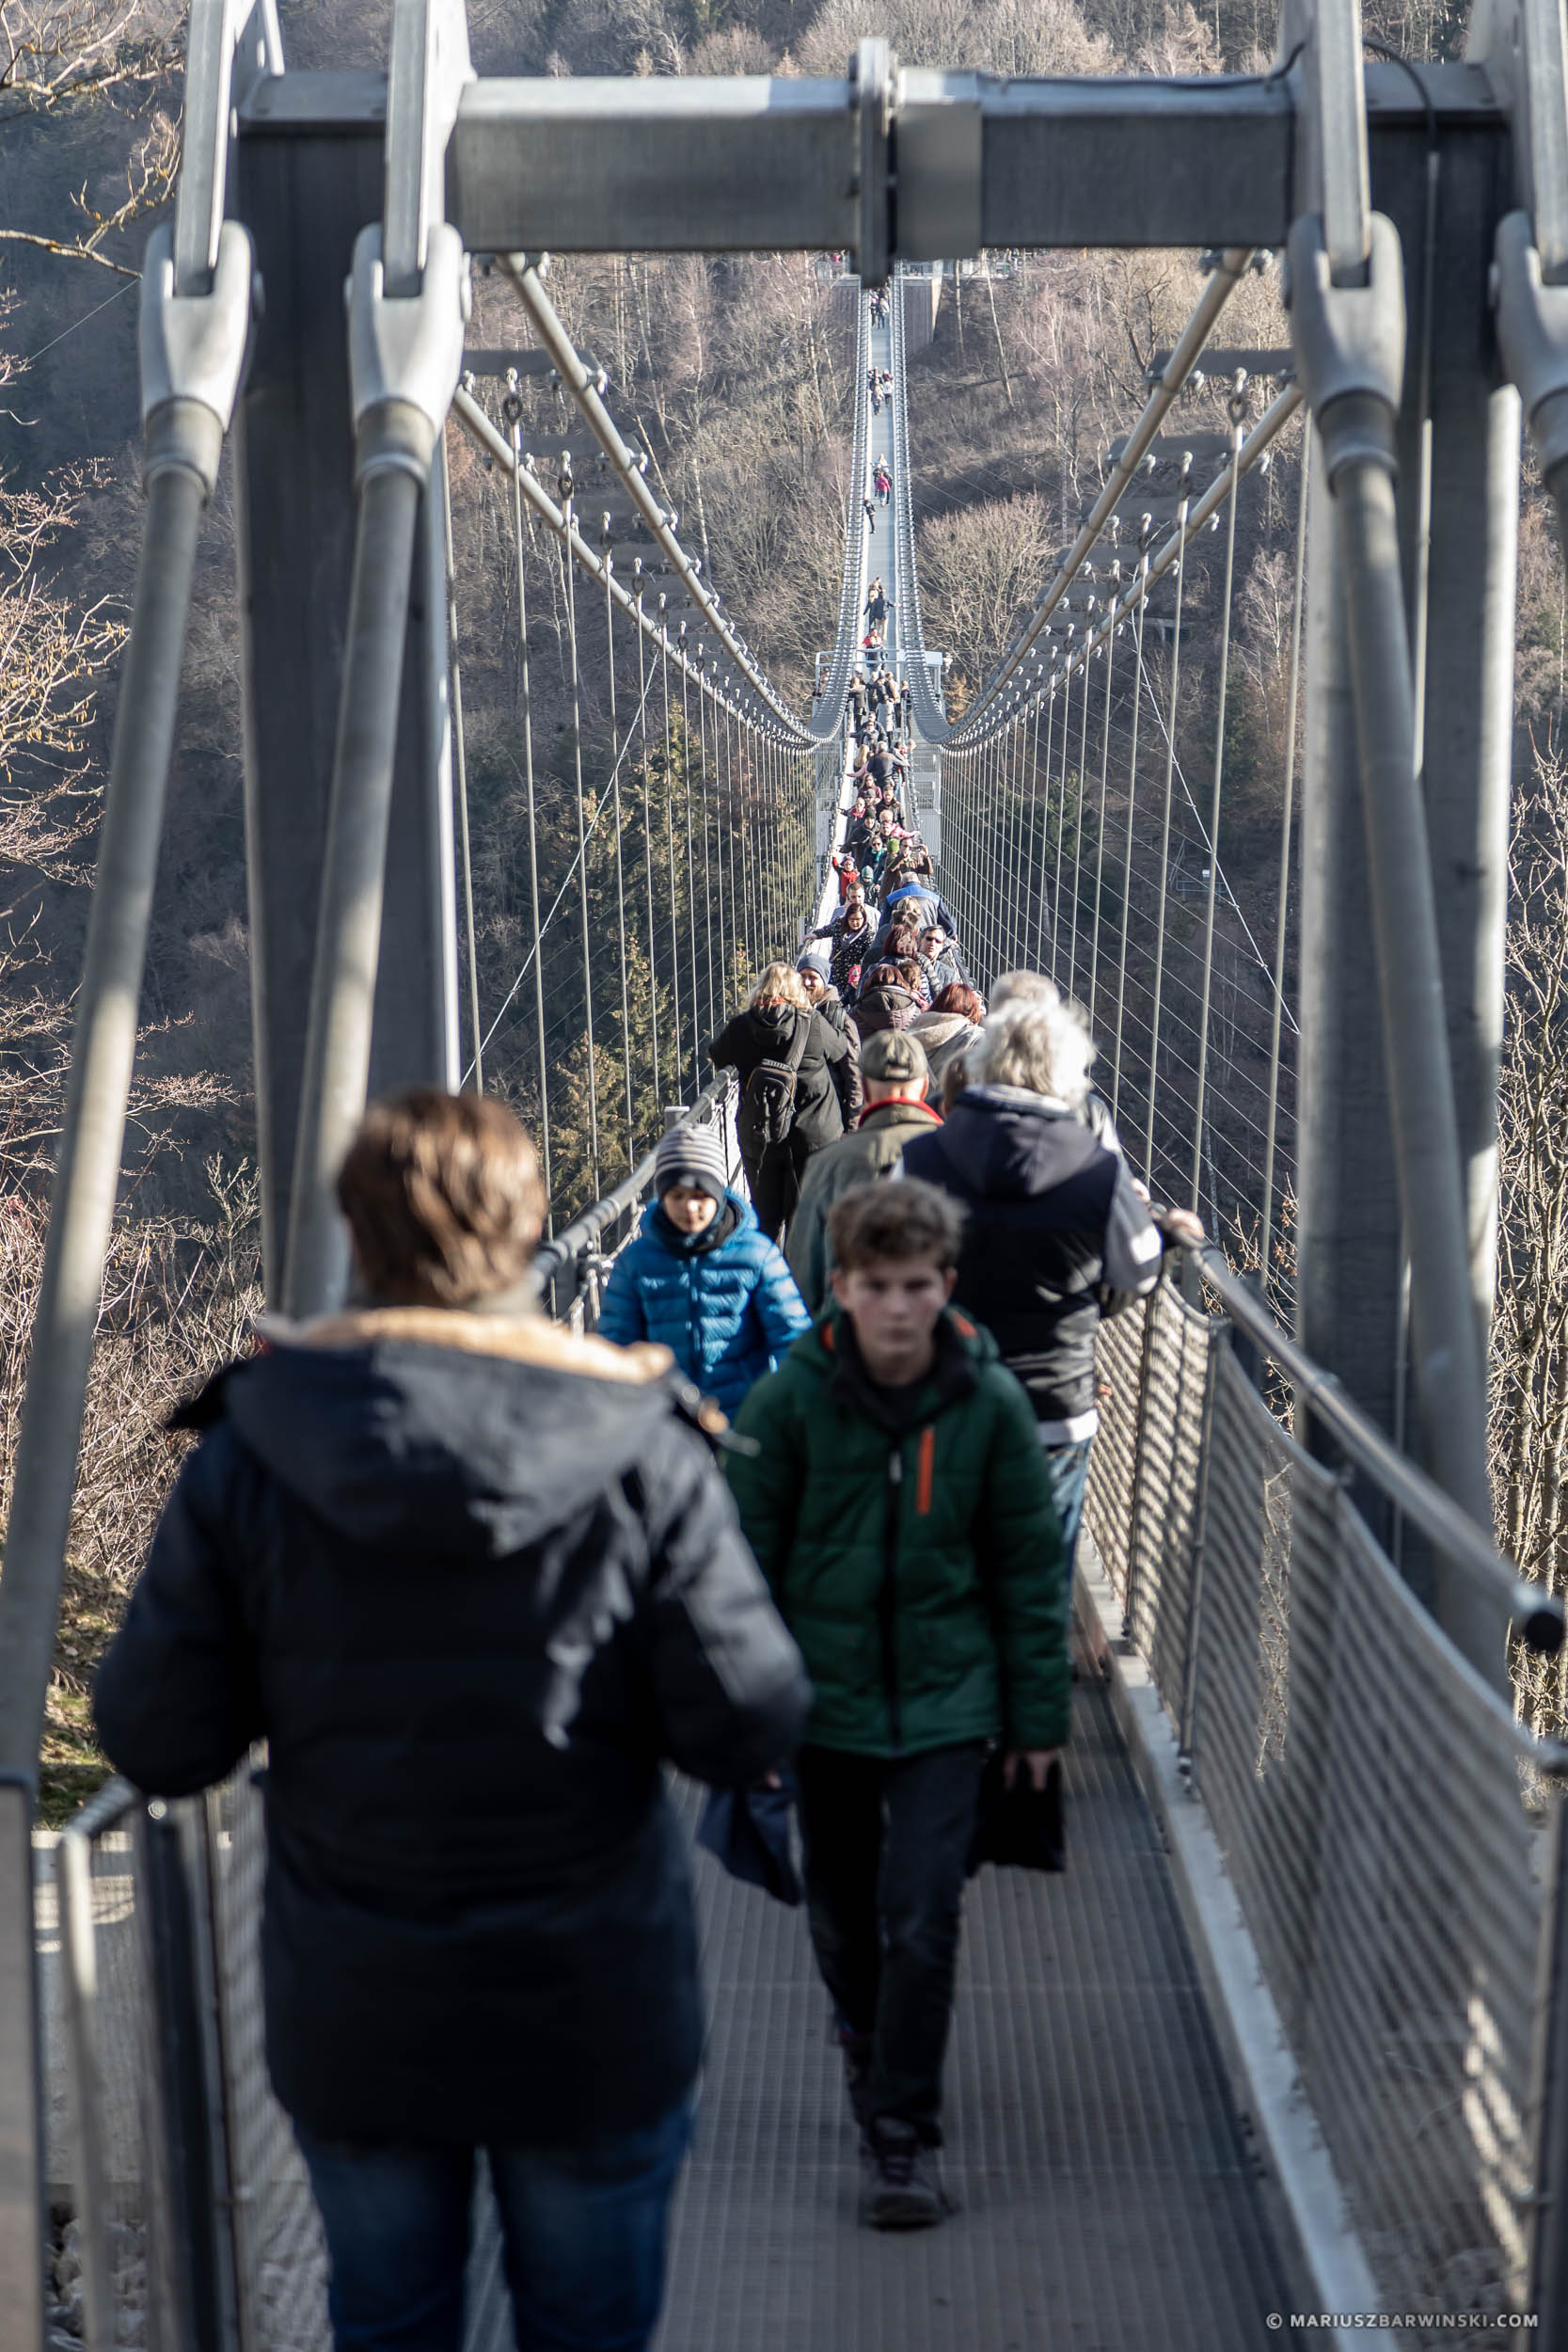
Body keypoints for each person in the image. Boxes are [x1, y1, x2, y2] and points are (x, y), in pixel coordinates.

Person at [94, 1089, 811, 2352]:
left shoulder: (253, 1449)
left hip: (359, 2000)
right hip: (591, 1994)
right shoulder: (637, 1442)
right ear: (531, 1228)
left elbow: (157, 1738)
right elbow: (746, 1719)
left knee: (388, 2324)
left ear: (355, 1232)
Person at [727, 1179, 1069, 2230]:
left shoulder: (988, 1406)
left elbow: (1025, 1571)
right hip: (819, 1705)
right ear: (839, 1288)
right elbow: (738, 1569)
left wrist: (1036, 1726)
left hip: (944, 1702)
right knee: (840, 1913)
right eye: (874, 1286)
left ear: (945, 1286)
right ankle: (867, 2041)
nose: (894, 1308)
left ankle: (900, 2135)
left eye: (914, 1286)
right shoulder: (787, 1402)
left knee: (921, 1912)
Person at [900, 995, 1164, 1583]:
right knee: (1040, 1577)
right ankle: (1034, 1663)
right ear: (1066, 1071)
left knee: (951, 1568)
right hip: (1055, 1405)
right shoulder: (1100, 1168)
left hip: (946, 1395)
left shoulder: (918, 1159)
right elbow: (1139, 1270)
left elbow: (891, 1269)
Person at [597, 1121, 810, 1416]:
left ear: (719, 1195)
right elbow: (617, 1346)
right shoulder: (636, 1263)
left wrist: (790, 1408)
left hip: (746, 1418)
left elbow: (792, 1337)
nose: (689, 1208)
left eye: (700, 1196)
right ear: (662, 1197)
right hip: (667, 1426)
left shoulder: (756, 1255)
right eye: (677, 1196)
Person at [785, 1029, 943, 1314]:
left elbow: (804, 1269)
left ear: (865, 1089)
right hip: (936, 1328)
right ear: (922, 1088)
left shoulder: (829, 1163)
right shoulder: (953, 1151)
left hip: (850, 1328)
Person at [711, 961, 848, 1242]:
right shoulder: (813, 1023)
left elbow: (716, 1055)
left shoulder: (742, 1026)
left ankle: (767, 1275)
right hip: (814, 1133)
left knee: (766, 1218)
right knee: (808, 1217)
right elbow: (840, 1050)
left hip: (763, 1132)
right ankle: (803, 1279)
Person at [797, 946, 863, 1129]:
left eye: (813, 977)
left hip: (829, 1117)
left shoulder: (841, 1020)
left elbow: (853, 1075)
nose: (806, 982)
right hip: (795, 1116)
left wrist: (851, 1127)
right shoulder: (789, 1014)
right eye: (802, 976)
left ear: (824, 981)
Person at [911, 980, 984, 1089]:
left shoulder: (914, 1028)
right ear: (971, 1009)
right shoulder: (975, 1036)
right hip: (952, 1102)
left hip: (917, 1102)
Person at [851, 960, 920, 1040]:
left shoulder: (857, 1010)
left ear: (869, 982)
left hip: (868, 1051)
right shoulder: (913, 1008)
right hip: (904, 1051)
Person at [829, 899, 876, 998]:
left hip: (854, 977)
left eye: (858, 919)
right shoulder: (839, 925)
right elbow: (828, 930)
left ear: (864, 919)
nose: (855, 923)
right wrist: (814, 934)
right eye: (851, 919)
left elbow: (868, 957)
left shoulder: (868, 935)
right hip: (837, 972)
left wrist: (859, 975)